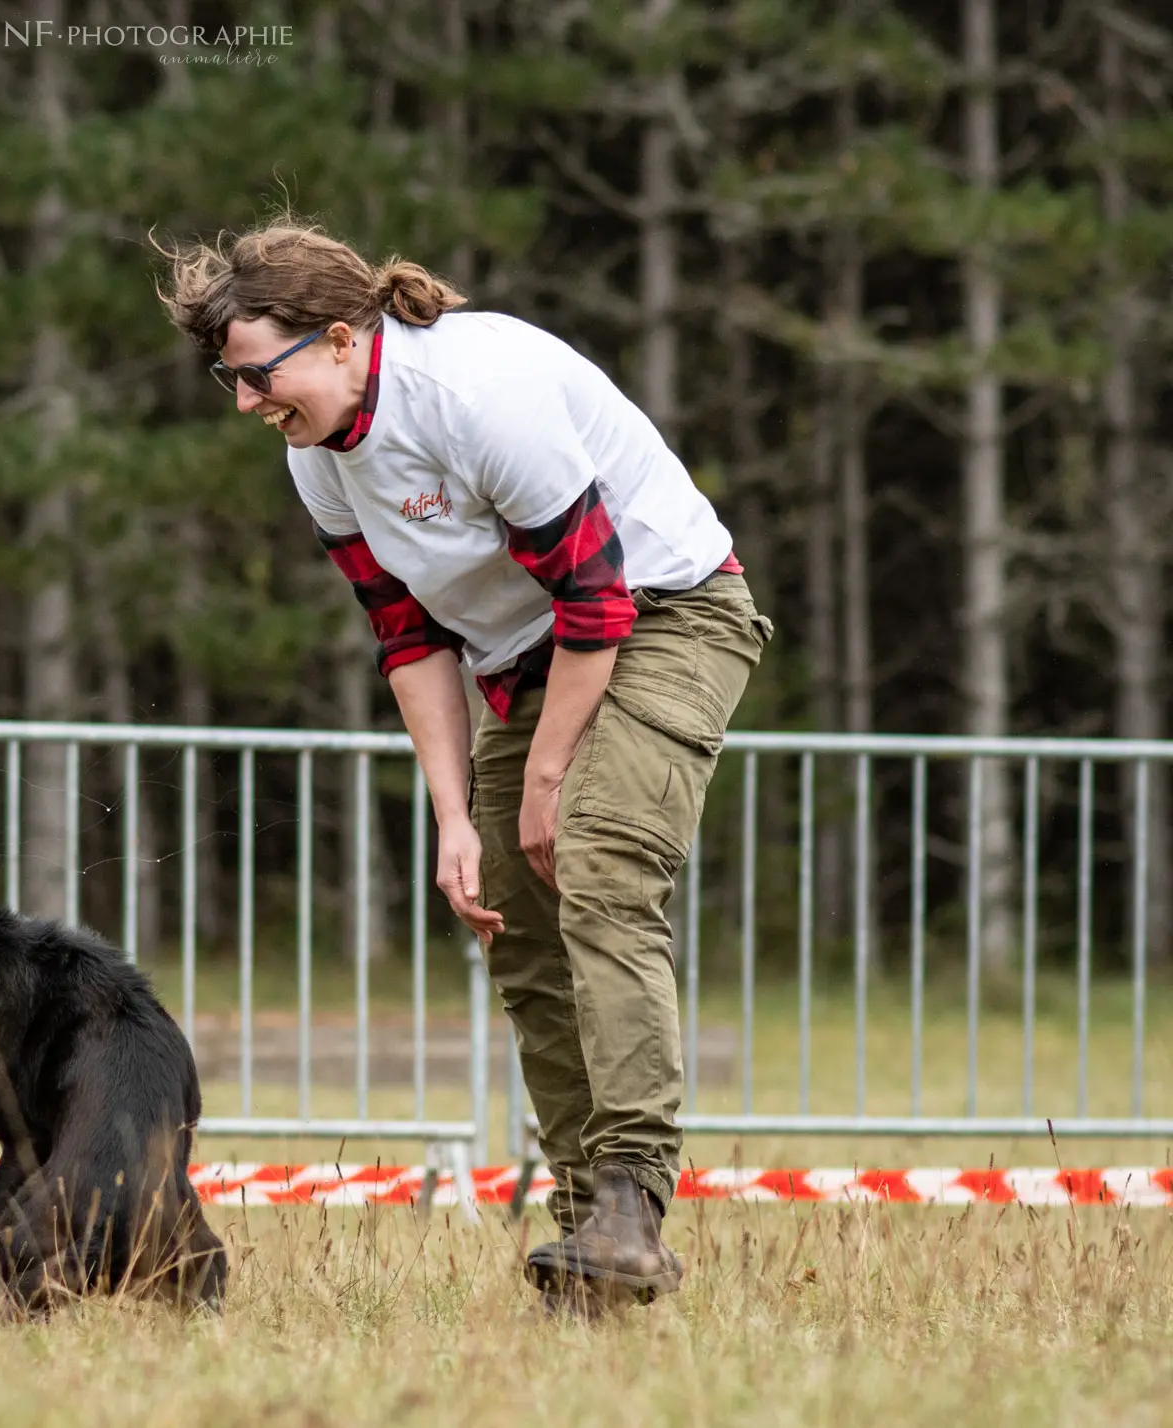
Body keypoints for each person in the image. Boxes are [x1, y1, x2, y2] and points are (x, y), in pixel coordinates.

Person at [155, 221, 772, 1316]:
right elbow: (406, 638)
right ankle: (595, 1248)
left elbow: (599, 598)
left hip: (668, 613)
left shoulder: (476, 399)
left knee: (594, 868)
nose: (246, 404)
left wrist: (539, 787)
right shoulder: (317, 458)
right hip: (524, 656)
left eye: (255, 376)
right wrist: (455, 818)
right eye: (227, 380)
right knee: (512, 920)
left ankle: (631, 1195)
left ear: (339, 341)